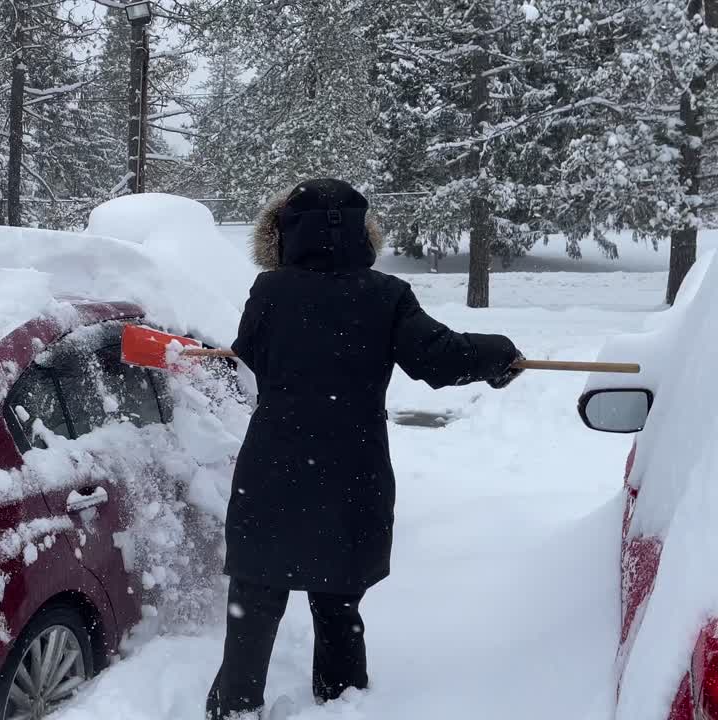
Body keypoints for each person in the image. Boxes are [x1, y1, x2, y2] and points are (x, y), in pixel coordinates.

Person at [206, 179, 524, 719]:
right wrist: (499, 356)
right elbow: (439, 359)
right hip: (351, 470)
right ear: (361, 233)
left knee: (255, 602)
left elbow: (251, 354)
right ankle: (341, 701)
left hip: (273, 469)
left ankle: (234, 707)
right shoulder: (386, 295)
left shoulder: (270, 291)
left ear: (285, 234)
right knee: (338, 602)